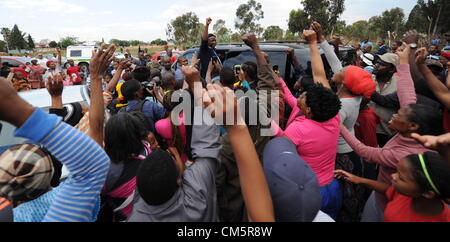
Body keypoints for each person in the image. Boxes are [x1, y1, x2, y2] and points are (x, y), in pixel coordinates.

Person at [127, 66, 274, 222]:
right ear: (179, 179)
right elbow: (205, 146)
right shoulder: (198, 191)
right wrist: (196, 86)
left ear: (139, 195)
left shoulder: (135, 216)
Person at [340, 44, 445, 222]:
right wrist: (404, 61)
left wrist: (339, 126)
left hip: (386, 205)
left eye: (400, 114)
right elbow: (407, 93)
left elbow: (365, 151)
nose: (395, 113)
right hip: (383, 194)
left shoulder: (400, 155)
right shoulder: (412, 131)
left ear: (412, 126)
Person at [0, 72, 110, 222]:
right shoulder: (71, 202)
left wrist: (56, 98)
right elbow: (92, 164)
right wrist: (16, 109)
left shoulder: (13, 216)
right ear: (51, 172)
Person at [272, 29, 342, 219]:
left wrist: (268, 123)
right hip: (331, 187)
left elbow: (281, 144)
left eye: (304, 97)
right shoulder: (333, 115)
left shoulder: (299, 129)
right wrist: (312, 43)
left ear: (308, 110)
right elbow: (319, 76)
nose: (301, 96)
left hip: (309, 191)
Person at [335, 152, 450, 222]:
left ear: (428, 193)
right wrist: (359, 179)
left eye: (401, 178)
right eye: (397, 172)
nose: (393, 176)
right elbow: (389, 190)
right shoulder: (408, 195)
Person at [370, 53, 400, 146]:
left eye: (382, 64)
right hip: (366, 128)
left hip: (388, 132)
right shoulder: (368, 79)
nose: (377, 65)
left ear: (392, 69)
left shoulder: (400, 83)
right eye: (377, 62)